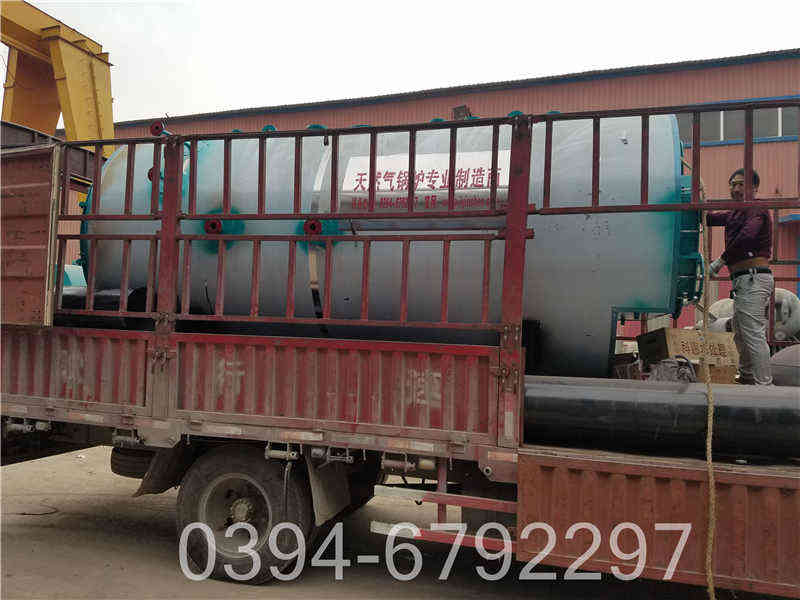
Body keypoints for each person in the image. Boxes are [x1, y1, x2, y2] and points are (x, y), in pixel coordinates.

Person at [707, 168, 774, 385]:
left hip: (753, 278)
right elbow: (709, 218)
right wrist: (696, 204)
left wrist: (720, 261)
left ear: (754, 188)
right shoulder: (735, 213)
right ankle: (746, 377)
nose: (736, 189)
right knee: (741, 333)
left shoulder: (756, 209)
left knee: (752, 333)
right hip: (744, 280)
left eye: (741, 184)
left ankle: (765, 386)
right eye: (733, 184)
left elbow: (747, 237)